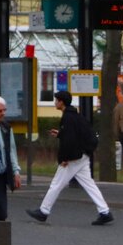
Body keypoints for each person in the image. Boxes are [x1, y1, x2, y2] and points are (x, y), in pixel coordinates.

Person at [26, 91, 114, 226]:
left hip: (73, 157)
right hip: (83, 155)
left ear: (61, 102)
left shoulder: (67, 118)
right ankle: (104, 212)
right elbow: (76, 135)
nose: (55, 103)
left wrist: (64, 158)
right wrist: (61, 134)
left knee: (56, 184)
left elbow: (70, 141)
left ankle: (43, 211)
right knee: (89, 184)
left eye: (56, 100)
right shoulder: (76, 116)